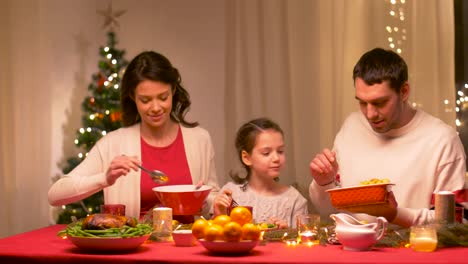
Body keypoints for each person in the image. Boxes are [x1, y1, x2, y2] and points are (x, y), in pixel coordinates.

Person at [48, 51, 220, 220]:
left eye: (163, 97)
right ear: (133, 97)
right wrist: (105, 179)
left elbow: (212, 199)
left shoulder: (200, 139)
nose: (155, 107)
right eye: (145, 100)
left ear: (173, 90)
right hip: (134, 247)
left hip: (187, 245)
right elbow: (55, 195)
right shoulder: (112, 144)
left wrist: (209, 200)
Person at [308, 47, 467, 228]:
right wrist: (324, 183)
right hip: (352, 250)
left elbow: (456, 221)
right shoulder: (352, 126)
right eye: (362, 102)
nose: (370, 114)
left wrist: (395, 214)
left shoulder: (441, 140)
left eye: (380, 102)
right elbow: (329, 210)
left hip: (412, 251)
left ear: (404, 91)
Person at [214, 118, 308, 228]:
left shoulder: (294, 199)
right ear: (246, 158)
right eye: (266, 153)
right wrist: (219, 214)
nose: (276, 158)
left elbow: (304, 240)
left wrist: (286, 231)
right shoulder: (231, 194)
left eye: (280, 151)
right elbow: (217, 235)